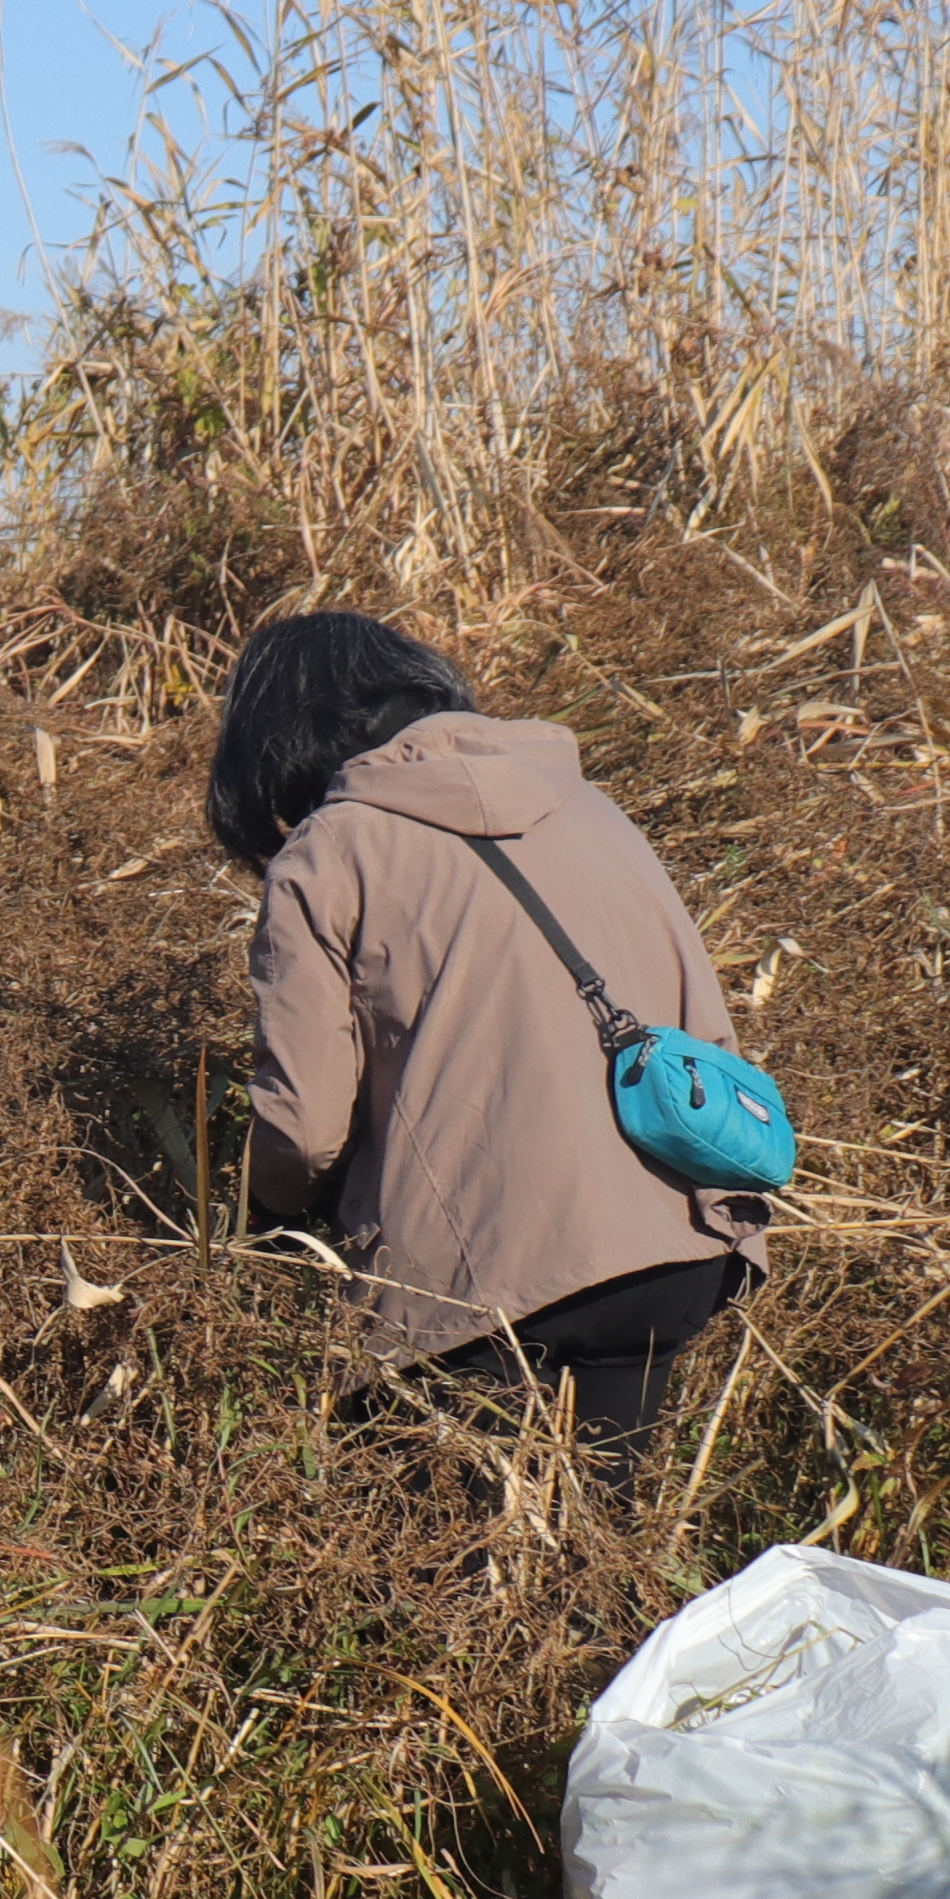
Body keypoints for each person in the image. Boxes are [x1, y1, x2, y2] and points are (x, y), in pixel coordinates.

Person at [209, 614, 767, 1491]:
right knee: (599, 1560)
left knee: (463, 1586)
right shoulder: (593, 808)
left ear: (278, 739)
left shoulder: (330, 852)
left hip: (478, 1285)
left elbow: (306, 1126)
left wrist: (253, 1215)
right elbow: (709, 1030)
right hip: (673, 1246)